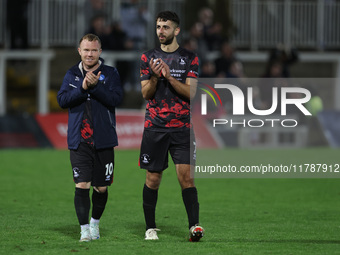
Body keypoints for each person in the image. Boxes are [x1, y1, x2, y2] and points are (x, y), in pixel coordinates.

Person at [139, 11, 204, 242]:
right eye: (158, 27)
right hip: (155, 126)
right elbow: (146, 94)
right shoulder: (148, 57)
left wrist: (169, 77)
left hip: (182, 129)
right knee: (153, 178)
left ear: (176, 30)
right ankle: (150, 228)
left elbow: (191, 93)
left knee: (186, 177)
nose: (161, 31)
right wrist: (156, 77)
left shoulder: (190, 58)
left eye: (165, 27)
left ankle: (194, 226)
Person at [57, 34, 123, 242]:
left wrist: (96, 86)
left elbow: (115, 99)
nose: (89, 54)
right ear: (79, 51)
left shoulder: (110, 73)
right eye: (86, 50)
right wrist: (83, 87)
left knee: (101, 188)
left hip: (103, 140)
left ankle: (95, 223)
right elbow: (62, 100)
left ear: (100, 52)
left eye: (94, 50)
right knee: (82, 184)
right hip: (79, 140)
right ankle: (84, 229)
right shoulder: (71, 74)